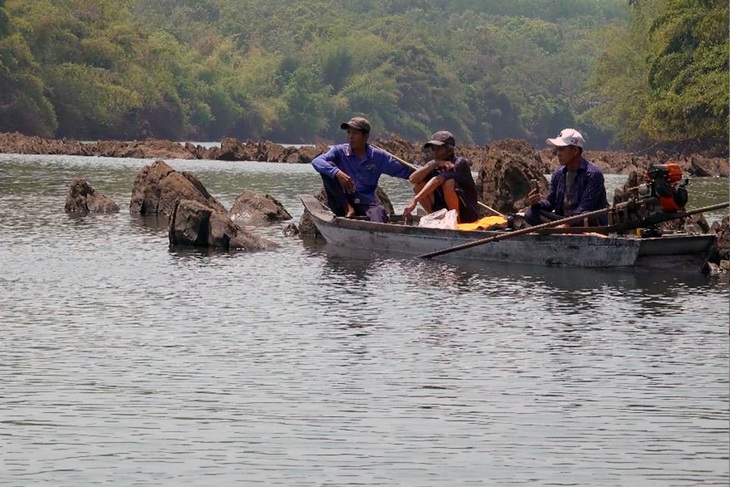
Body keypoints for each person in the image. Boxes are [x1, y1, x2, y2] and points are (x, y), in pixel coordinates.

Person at [311, 116, 412, 222]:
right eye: (349, 133)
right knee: (328, 167)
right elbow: (316, 162)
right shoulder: (339, 151)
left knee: (379, 213)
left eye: (355, 133)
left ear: (365, 136)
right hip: (342, 202)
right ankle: (348, 208)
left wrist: (428, 170)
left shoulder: (377, 156)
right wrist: (337, 172)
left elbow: (404, 170)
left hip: (366, 203)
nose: (350, 137)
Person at [525, 128, 608, 227]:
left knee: (585, 216)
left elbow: (585, 208)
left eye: (562, 149)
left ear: (575, 150)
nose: (558, 154)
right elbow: (550, 202)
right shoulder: (558, 173)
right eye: (557, 149)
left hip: (586, 221)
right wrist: (536, 203)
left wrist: (567, 224)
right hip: (563, 220)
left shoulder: (593, 174)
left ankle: (558, 229)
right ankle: (558, 229)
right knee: (531, 212)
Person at [402, 131, 479, 223]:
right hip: (443, 208)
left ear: (449, 149)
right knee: (418, 186)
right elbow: (413, 179)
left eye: (439, 148)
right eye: (433, 148)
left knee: (448, 183)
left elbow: (438, 180)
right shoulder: (434, 164)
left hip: (465, 214)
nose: (435, 151)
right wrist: (433, 164)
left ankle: (456, 222)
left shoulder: (459, 163)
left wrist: (414, 201)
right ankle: (434, 217)